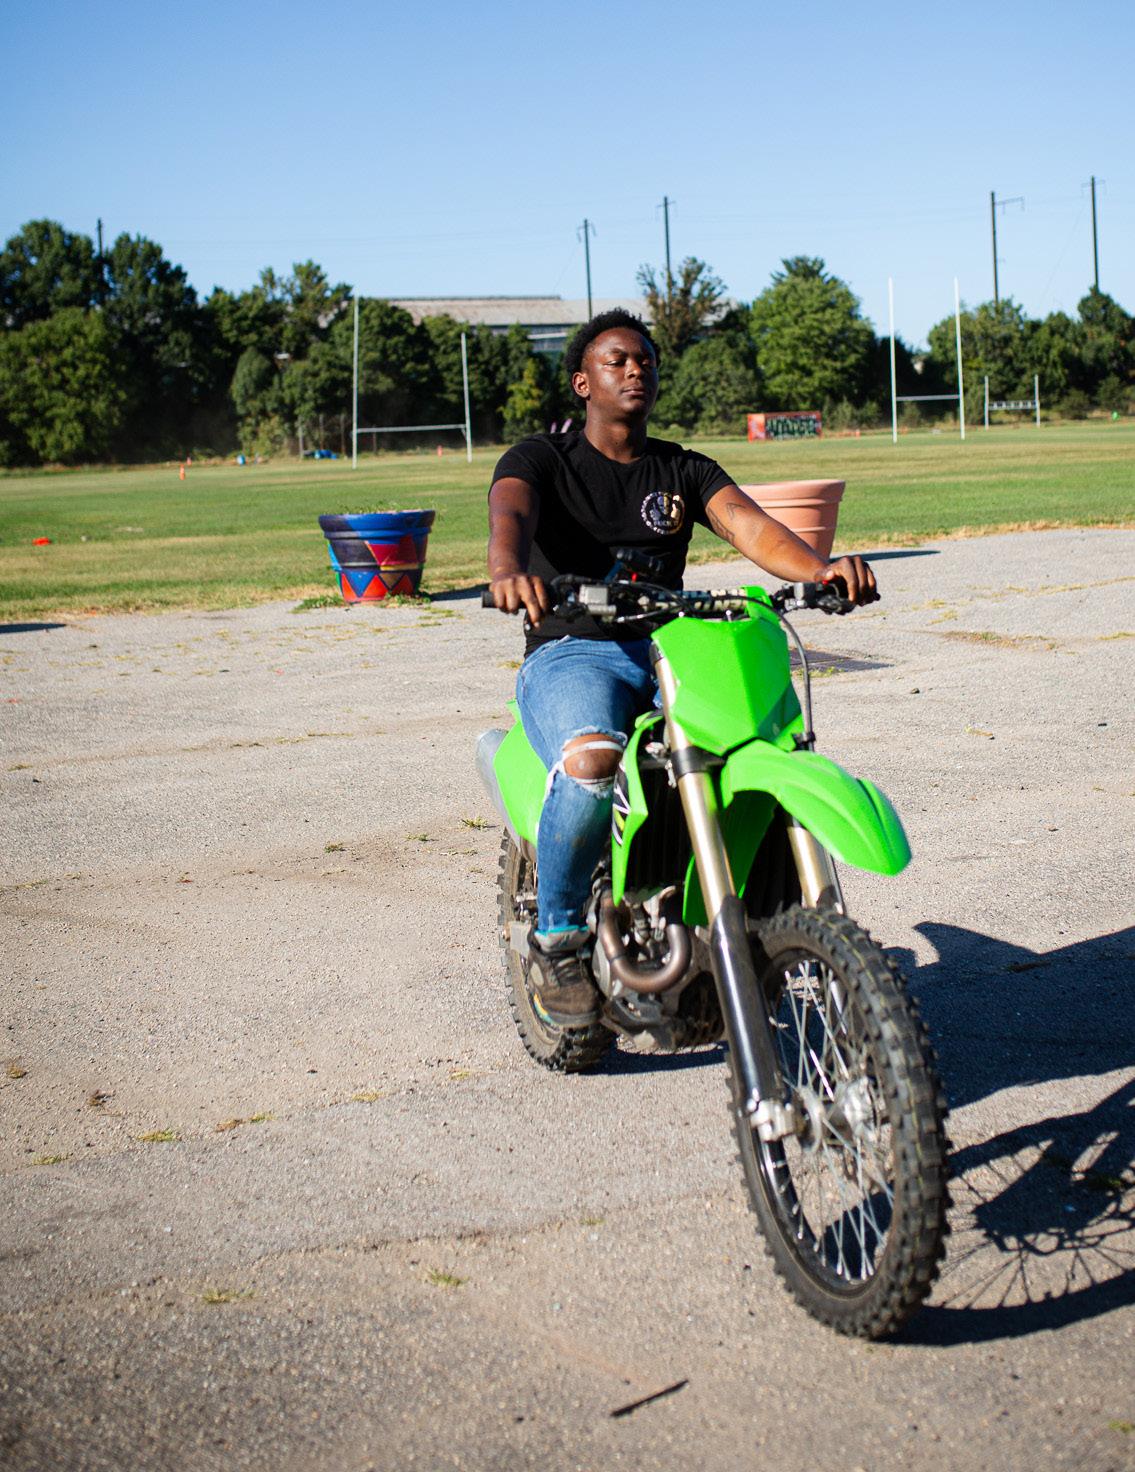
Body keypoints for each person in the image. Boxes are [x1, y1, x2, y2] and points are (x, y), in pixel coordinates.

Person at [486, 309, 877, 1028]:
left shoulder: (682, 469)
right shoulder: (541, 458)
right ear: (582, 382)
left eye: (645, 360)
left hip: (672, 647)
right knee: (592, 762)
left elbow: (750, 526)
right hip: (574, 649)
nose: (635, 369)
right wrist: (508, 569)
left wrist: (820, 571)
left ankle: (749, 920)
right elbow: (510, 513)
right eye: (616, 360)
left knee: (753, 746)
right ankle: (559, 941)